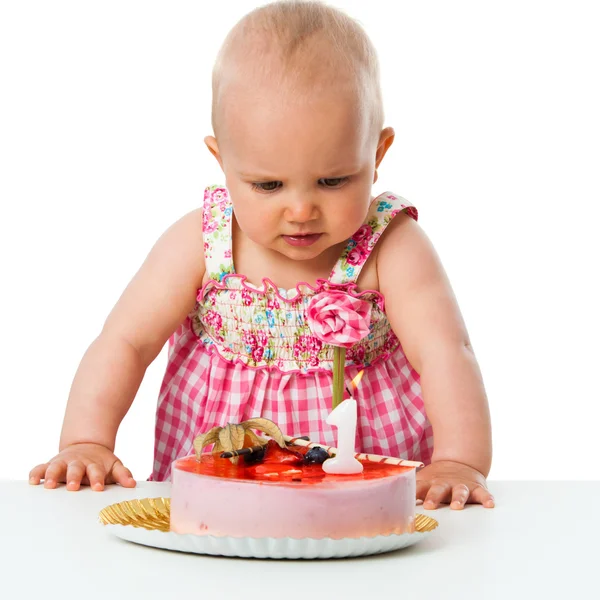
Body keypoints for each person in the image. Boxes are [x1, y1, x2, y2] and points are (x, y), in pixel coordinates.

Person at [29, 0, 494, 510]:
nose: (301, 210)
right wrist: (87, 441)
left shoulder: (390, 246)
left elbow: (446, 353)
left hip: (361, 483)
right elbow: (126, 341)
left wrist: (459, 459)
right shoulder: (204, 241)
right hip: (223, 482)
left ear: (377, 156)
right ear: (222, 162)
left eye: (333, 180)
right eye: (268, 184)